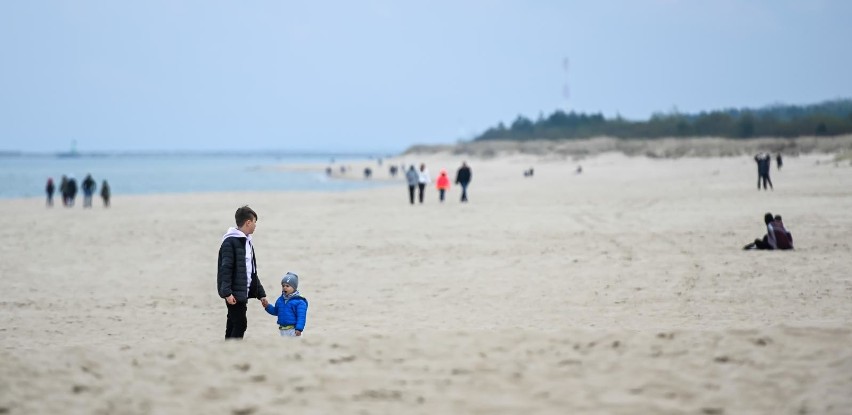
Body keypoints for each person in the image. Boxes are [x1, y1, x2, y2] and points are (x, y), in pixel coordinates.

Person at [217, 205, 268, 339]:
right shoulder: (230, 242)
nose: (255, 226)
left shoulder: (246, 242)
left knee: (233, 323)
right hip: (234, 293)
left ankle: (227, 351)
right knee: (240, 324)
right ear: (248, 222)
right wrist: (227, 293)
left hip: (242, 292)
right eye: (255, 222)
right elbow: (225, 269)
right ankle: (233, 352)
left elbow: (252, 272)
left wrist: (261, 294)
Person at [264, 272, 308, 337]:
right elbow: (276, 311)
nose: (284, 287)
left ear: (294, 287)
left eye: (287, 286)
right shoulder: (280, 300)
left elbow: (301, 317)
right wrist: (267, 306)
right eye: (283, 286)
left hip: (294, 330)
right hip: (282, 329)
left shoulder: (299, 301)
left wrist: (299, 329)